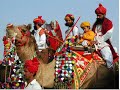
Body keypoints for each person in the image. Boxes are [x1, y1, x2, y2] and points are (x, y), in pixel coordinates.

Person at [92, 4, 119, 68]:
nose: (97, 17)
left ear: (104, 15)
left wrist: (98, 41)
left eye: (99, 15)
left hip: (104, 43)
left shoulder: (108, 22)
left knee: (107, 54)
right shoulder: (95, 24)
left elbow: (108, 34)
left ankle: (110, 69)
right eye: (97, 15)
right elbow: (92, 33)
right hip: (94, 43)